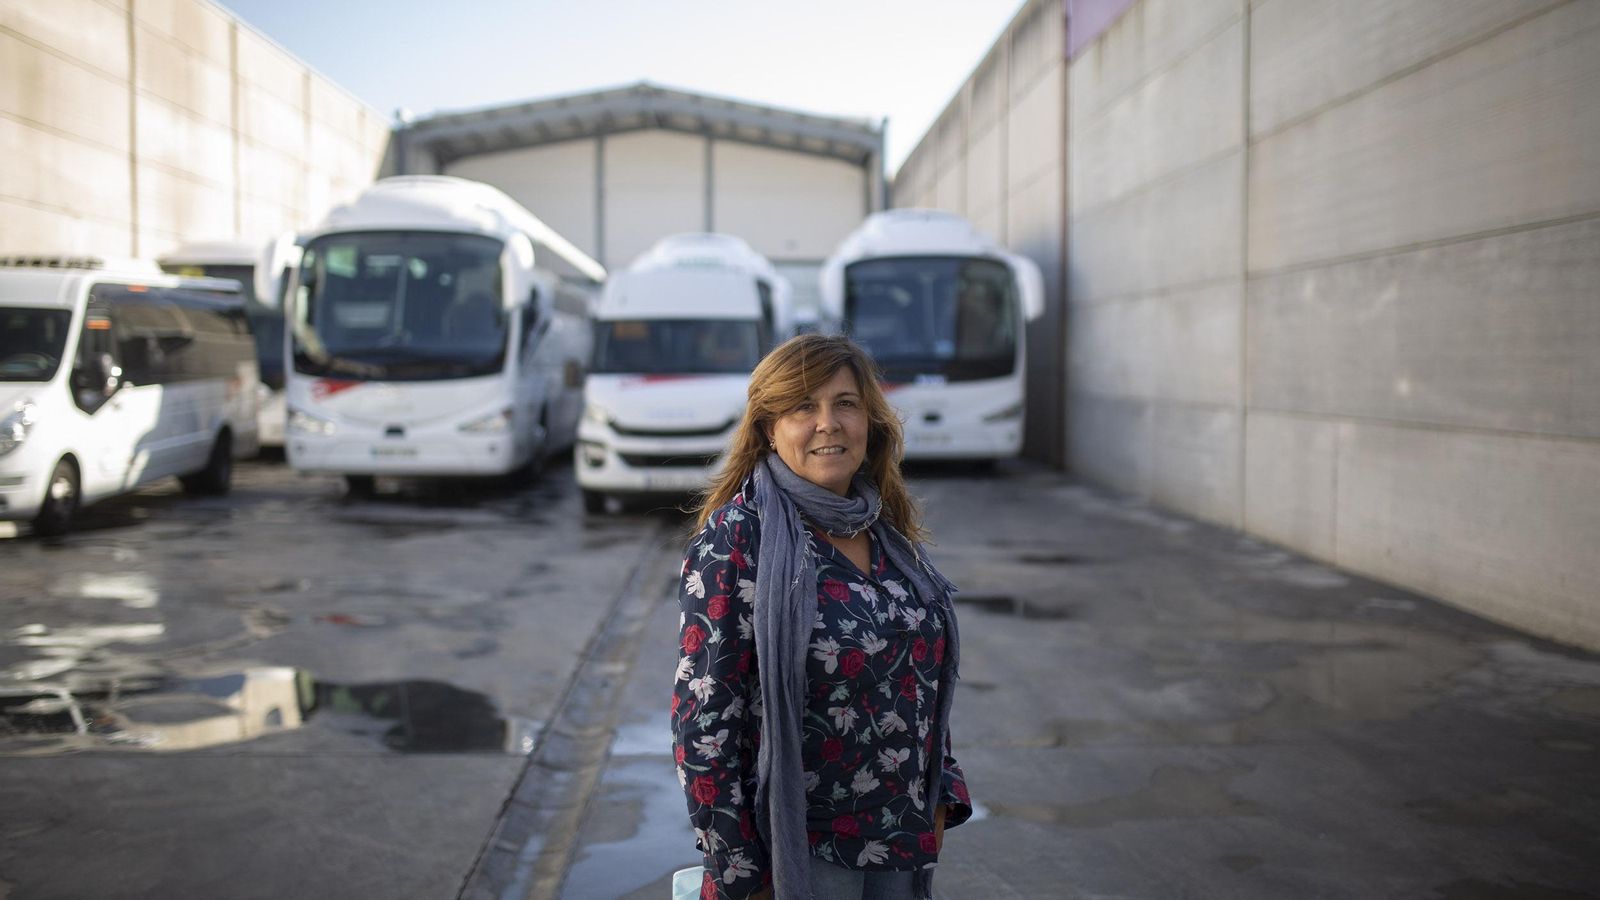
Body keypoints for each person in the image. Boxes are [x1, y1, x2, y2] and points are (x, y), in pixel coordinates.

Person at [672, 334, 971, 900]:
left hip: (900, 839)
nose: (828, 422)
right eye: (803, 406)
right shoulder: (737, 538)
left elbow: (917, 674)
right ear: (768, 428)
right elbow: (703, 727)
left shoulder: (884, 530)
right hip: (802, 852)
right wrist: (742, 875)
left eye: (846, 403)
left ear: (869, 420)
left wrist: (943, 787)